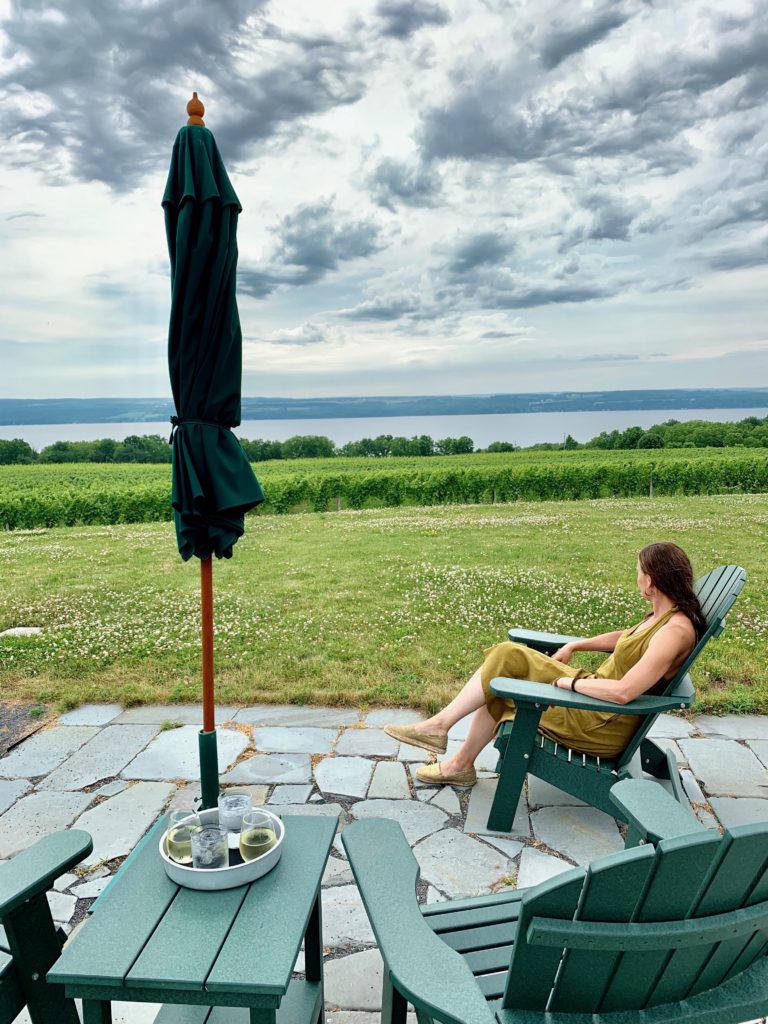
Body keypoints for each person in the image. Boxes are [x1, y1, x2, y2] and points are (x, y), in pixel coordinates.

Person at [385, 542, 706, 787]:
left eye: (637, 572)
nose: (635, 578)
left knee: (503, 679)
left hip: (599, 719)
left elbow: (624, 692)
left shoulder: (674, 632)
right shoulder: (663, 614)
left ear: (650, 581)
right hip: (594, 695)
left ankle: (451, 751)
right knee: (507, 658)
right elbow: (629, 638)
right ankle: (445, 738)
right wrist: (576, 644)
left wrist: (570, 684)